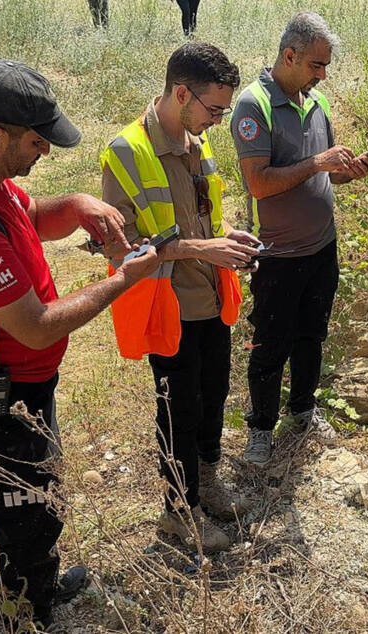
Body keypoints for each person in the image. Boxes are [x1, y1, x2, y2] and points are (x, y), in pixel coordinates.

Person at [0, 59, 162, 632]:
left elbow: (31, 217)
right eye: (36, 141)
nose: (44, 152)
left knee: (39, 495)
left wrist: (74, 205)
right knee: (21, 510)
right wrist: (124, 278)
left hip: (15, 388)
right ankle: (26, 616)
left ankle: (38, 582)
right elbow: (38, 325)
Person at [100, 42, 259, 553]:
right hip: (168, 304)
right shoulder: (125, 151)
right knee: (178, 410)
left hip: (212, 296)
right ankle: (179, 511)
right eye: (214, 108)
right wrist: (204, 247)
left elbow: (201, 218)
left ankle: (207, 482)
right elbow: (122, 246)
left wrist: (229, 240)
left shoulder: (197, 142)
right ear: (181, 92)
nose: (218, 120)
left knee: (213, 396)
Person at [230, 12, 368, 466]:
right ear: (289, 56)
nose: (323, 75)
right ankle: (259, 431)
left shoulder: (318, 103)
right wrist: (316, 163)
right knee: (272, 343)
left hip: (321, 247)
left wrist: (347, 173)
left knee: (313, 335)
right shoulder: (253, 106)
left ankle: (304, 411)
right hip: (278, 252)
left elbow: (325, 177)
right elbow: (259, 184)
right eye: (316, 65)